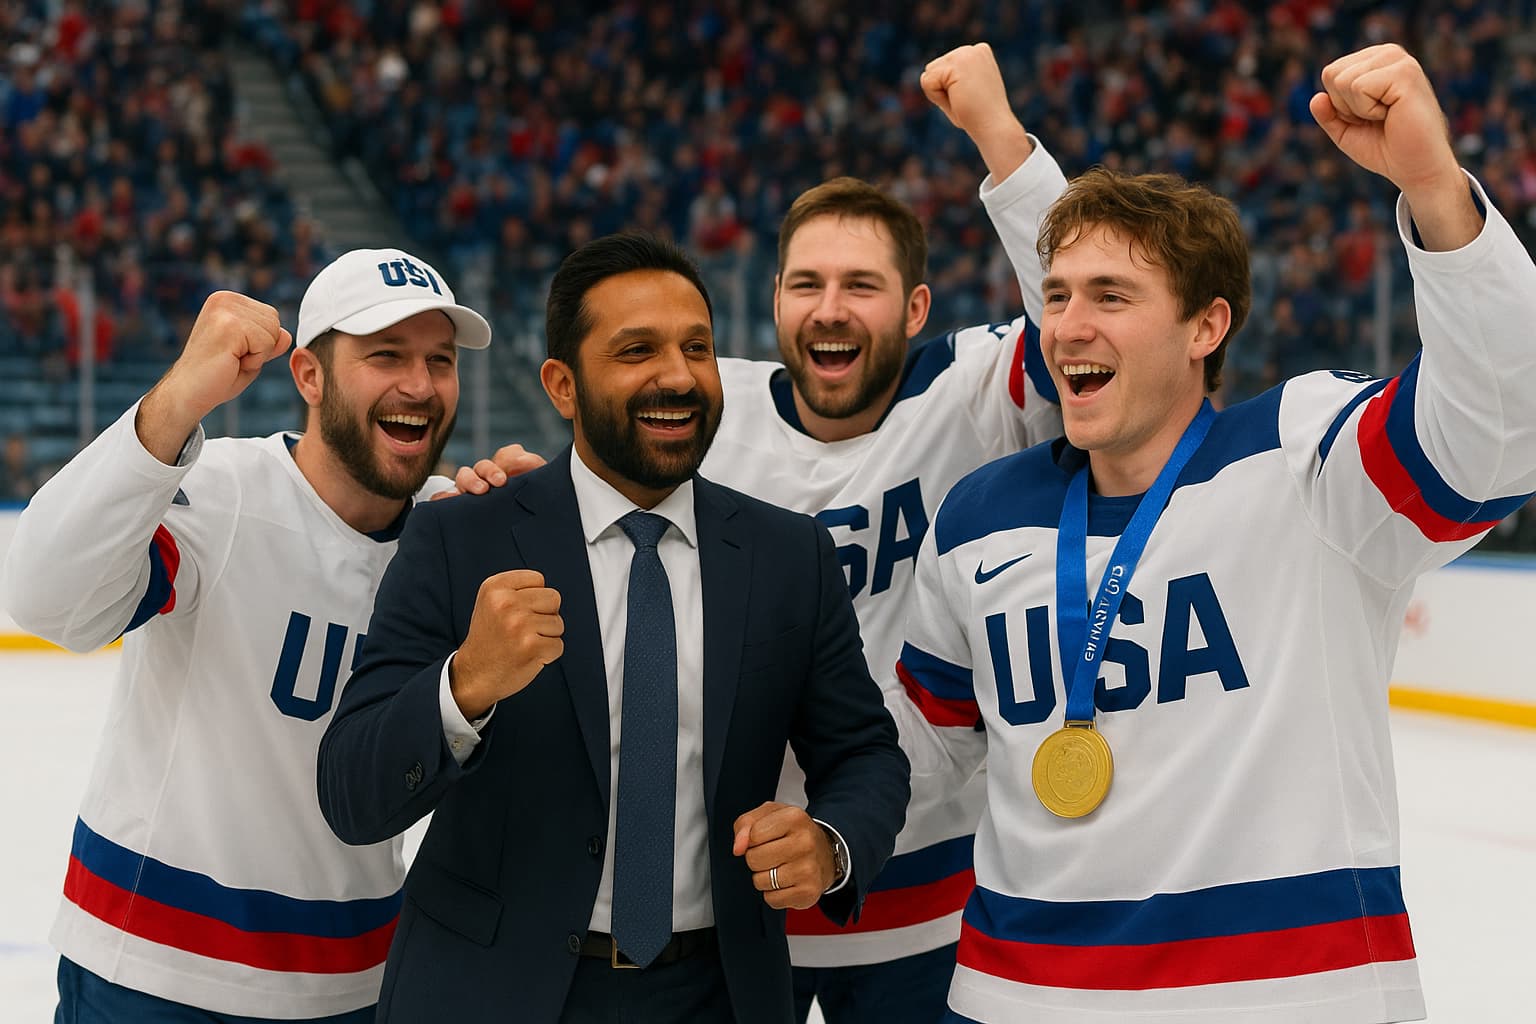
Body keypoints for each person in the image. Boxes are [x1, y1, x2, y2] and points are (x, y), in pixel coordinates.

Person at [895, 44, 1536, 1023]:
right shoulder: (980, 516)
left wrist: (1434, 187)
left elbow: (1501, 433)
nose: (1066, 323)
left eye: (1111, 297)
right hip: (1012, 1001)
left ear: (1206, 328)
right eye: (1056, 294)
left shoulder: (1306, 458)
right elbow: (922, 753)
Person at [452, 44, 1069, 1023]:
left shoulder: (974, 392)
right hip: (728, 899)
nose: (830, 309)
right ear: (773, 300)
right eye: (806, 284)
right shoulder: (701, 403)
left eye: (862, 286)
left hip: (929, 891)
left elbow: (1075, 316)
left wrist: (1000, 138)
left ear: (915, 309)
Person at [315, 232, 911, 1023]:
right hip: (491, 994)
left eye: (696, 347)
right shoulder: (460, 539)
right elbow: (354, 793)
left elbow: (867, 754)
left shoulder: (789, 555)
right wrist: (464, 687)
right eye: (638, 350)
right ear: (563, 385)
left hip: (720, 995)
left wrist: (831, 846)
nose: (678, 376)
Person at [0, 248, 511, 1022]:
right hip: (153, 981)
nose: (420, 384)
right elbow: (45, 598)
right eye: (386, 356)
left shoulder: (455, 539)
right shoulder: (221, 494)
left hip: (359, 987)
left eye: (440, 360)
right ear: (309, 376)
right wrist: (175, 402)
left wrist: (535, 526)